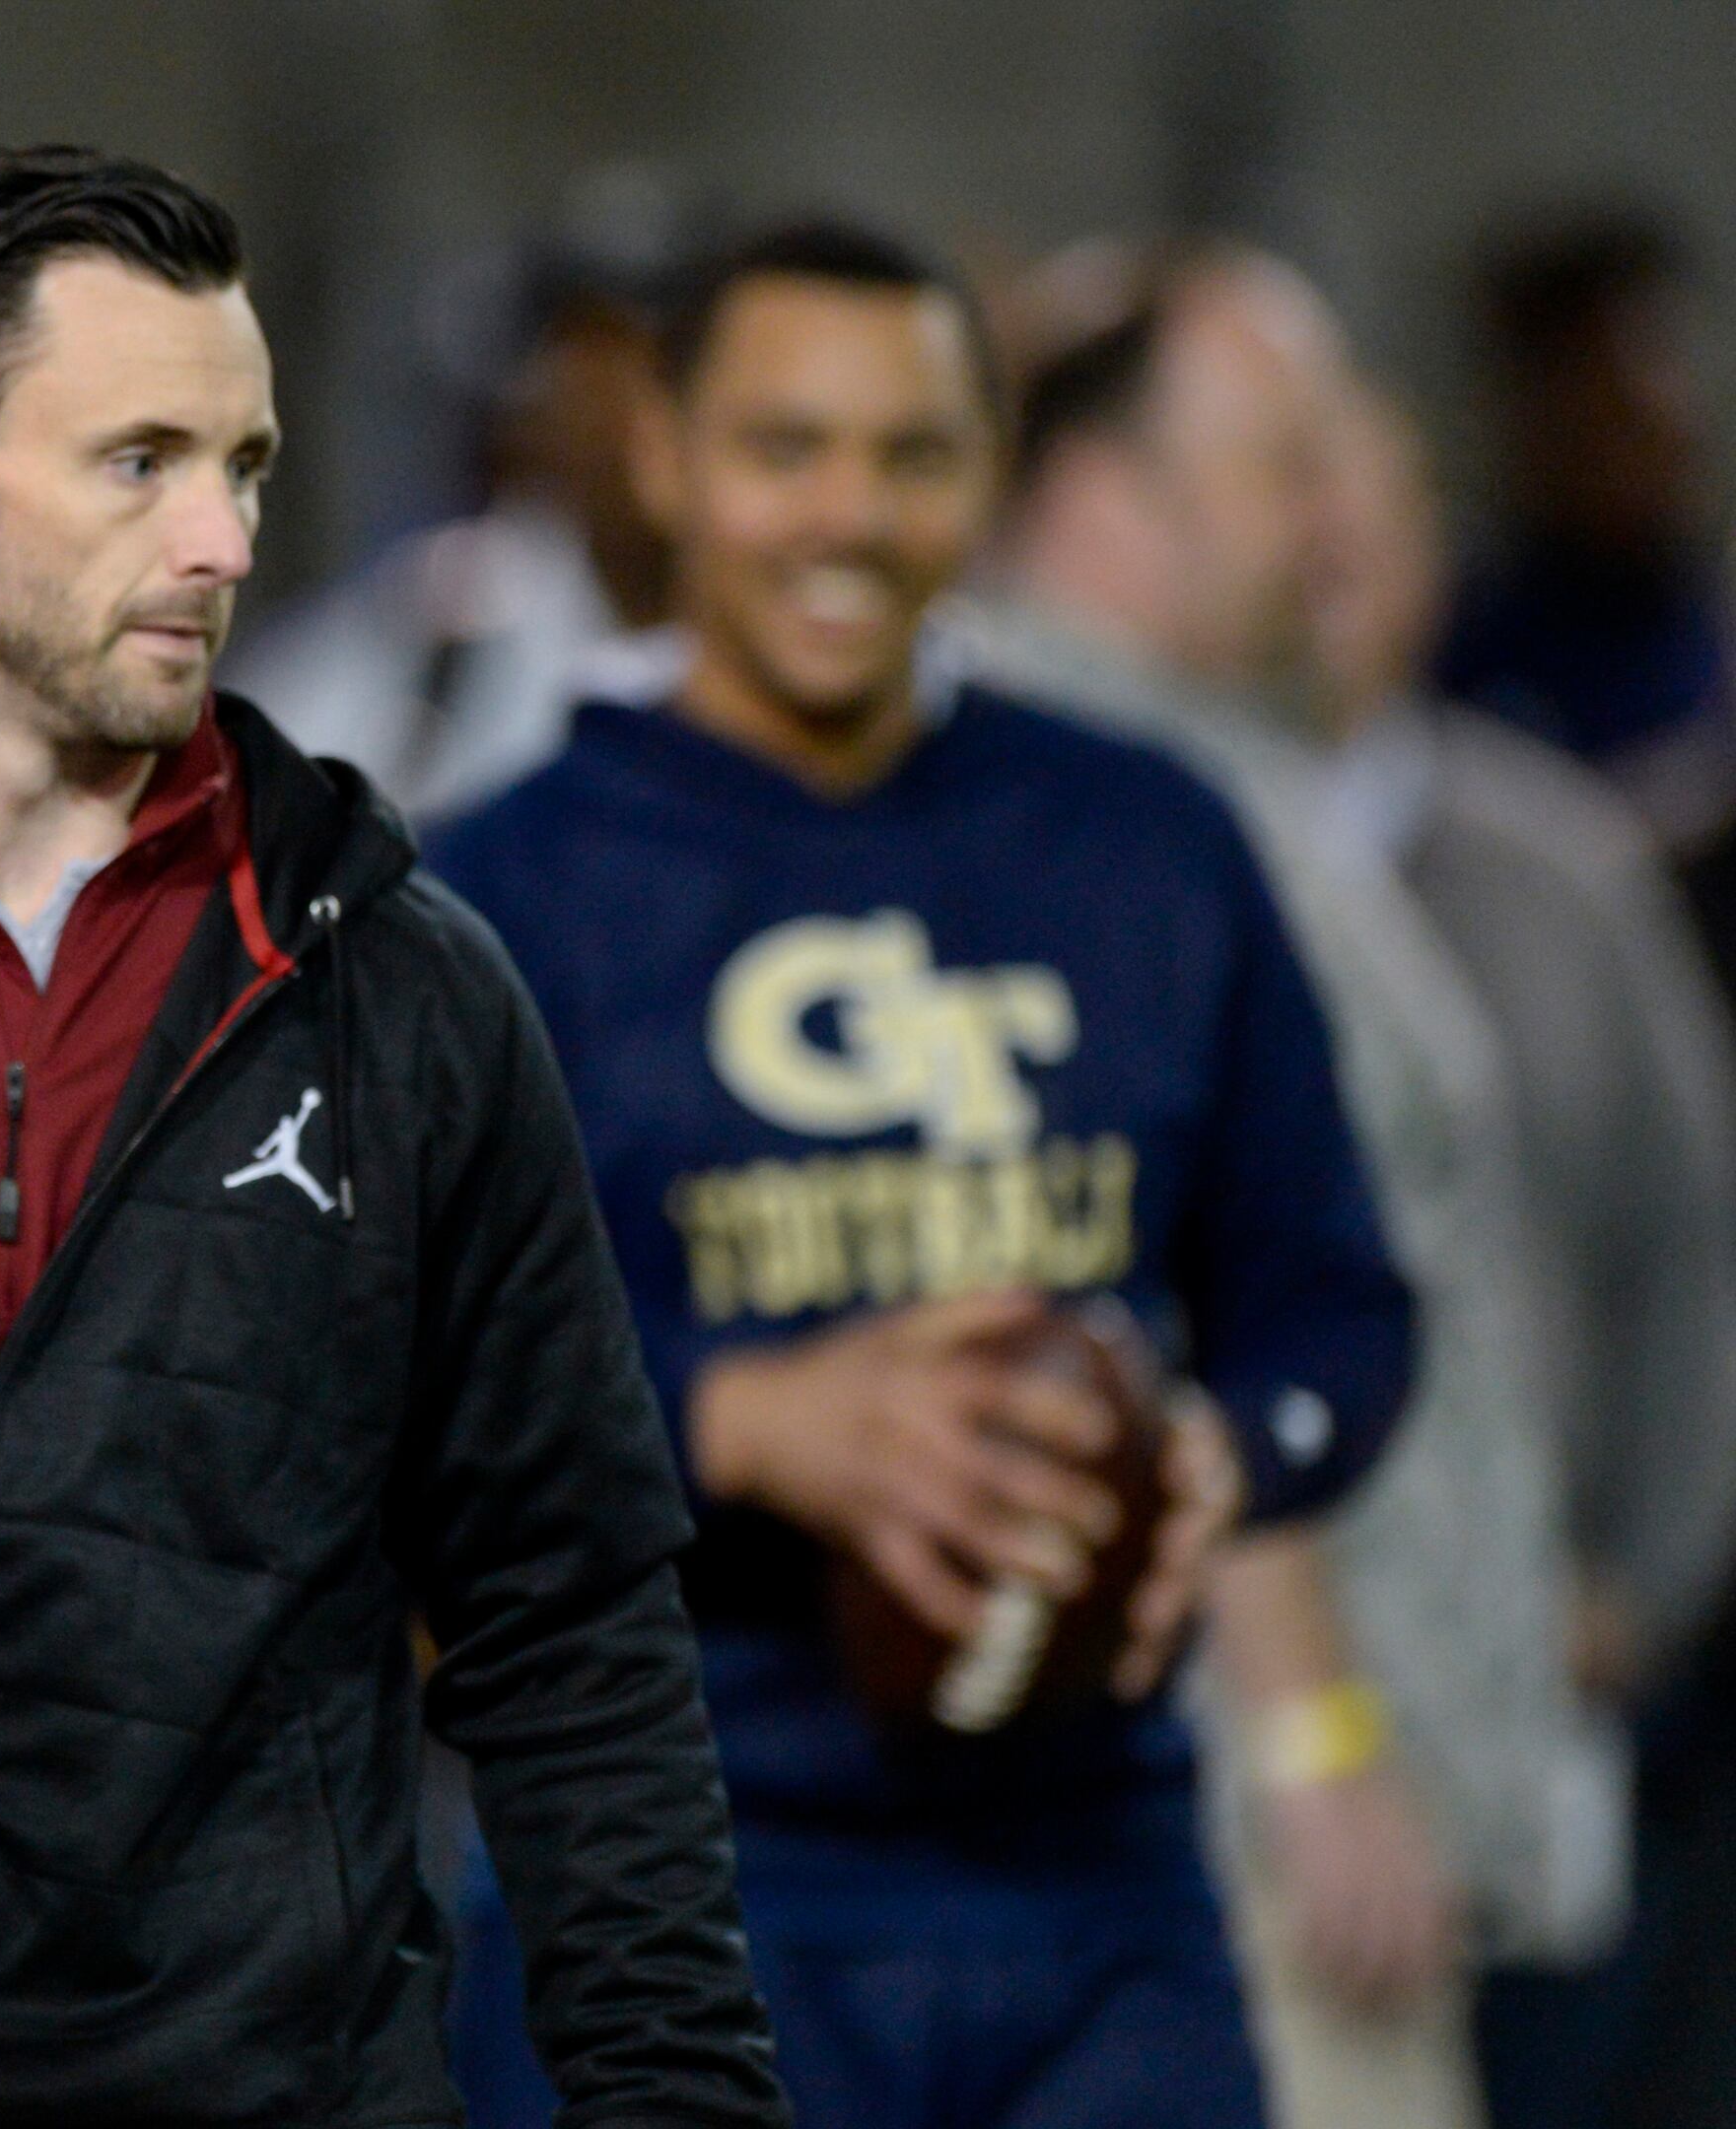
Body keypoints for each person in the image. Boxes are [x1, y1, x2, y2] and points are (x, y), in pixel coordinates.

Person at [0, 144, 786, 2129]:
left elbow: (574, 1643)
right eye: (140, 464)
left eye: (249, 467)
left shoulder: (396, 987)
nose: (219, 540)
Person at [429, 221, 1418, 2129]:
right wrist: (737, 1419)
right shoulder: (495, 889)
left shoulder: (1146, 837)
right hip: (661, 1872)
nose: (848, 517)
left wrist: (1229, 1450)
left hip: (1104, 1881)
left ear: (989, 474)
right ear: (665, 460)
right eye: (785, 448)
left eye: (913, 456)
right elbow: (371, 1400)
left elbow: (1338, 1301)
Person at [977, 244, 1585, 2129]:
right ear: (1106, 498)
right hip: (1248, 1820)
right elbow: (1155, 1272)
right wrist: (1315, 1729)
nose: (1330, 522)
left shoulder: (1196, 772)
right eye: (1275, 467)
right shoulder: (1083, 796)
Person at [1305, 381, 1736, 2129]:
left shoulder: (1565, 870)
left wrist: (1645, 1585)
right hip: (1276, 1732)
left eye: (1377, 525)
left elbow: (1695, 1256)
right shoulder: (1137, 856)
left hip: (1581, 1696)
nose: (1334, 567)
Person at [226, 237, 675, 826]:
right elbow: (242, 792)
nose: (622, 423)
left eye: (661, 375)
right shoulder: (448, 625)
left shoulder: (791, 651)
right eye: (589, 379)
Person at [1436, 209, 1732, 849]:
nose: (1673, 435)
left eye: (1676, 384)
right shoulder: (1460, 665)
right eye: (1616, 413)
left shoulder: (1715, 635)